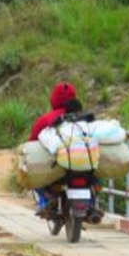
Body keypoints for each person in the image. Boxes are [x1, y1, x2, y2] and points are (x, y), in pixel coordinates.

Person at [28, 82, 78, 217]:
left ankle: (46, 200)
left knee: (32, 175)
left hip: (55, 165)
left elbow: (32, 142)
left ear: (54, 99)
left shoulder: (45, 119)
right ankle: (91, 202)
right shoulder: (82, 118)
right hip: (81, 163)